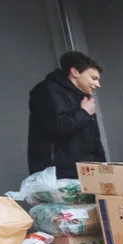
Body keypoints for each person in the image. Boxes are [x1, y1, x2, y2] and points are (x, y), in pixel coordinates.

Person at [28, 51, 105, 179]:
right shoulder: (47, 90)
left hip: (86, 173)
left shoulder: (83, 98)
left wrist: (102, 170)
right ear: (74, 72)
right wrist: (84, 113)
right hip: (58, 175)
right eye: (93, 78)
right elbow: (59, 126)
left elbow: (94, 140)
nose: (98, 85)